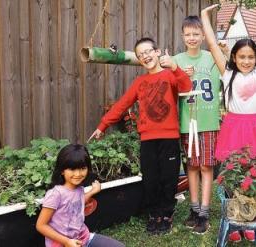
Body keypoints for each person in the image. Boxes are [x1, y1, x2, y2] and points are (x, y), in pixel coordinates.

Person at [88, 37, 192, 235]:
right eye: (141, 54)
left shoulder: (170, 76)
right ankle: (154, 214)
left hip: (169, 138)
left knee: (168, 178)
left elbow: (186, 87)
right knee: (151, 179)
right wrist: (103, 125)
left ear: (158, 52)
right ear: (139, 59)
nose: (145, 56)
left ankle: (166, 214)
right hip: (147, 140)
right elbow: (121, 105)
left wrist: (175, 66)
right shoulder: (140, 82)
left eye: (148, 52)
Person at [201, 2, 256, 243]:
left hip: (254, 128)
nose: (246, 61)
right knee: (232, 173)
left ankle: (251, 216)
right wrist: (205, 16)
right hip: (233, 128)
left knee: (254, 172)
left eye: (251, 57)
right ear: (234, 57)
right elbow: (213, 44)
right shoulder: (227, 73)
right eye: (242, 56)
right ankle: (234, 216)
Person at [173, 15, 221, 235]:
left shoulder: (213, 57)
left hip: (208, 121)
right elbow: (171, 90)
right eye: (188, 34)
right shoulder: (176, 61)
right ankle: (193, 209)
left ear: (203, 36)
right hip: (187, 121)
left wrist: (226, 52)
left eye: (196, 34)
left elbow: (229, 74)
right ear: (182, 36)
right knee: (192, 166)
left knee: (206, 167)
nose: (192, 38)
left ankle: (204, 212)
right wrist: (179, 76)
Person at [36, 144, 125, 247]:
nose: (78, 174)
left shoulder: (79, 188)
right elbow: (41, 225)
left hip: (84, 238)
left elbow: (77, 202)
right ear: (62, 170)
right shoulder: (55, 194)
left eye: (82, 168)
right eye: (72, 169)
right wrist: (66, 242)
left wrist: (92, 191)